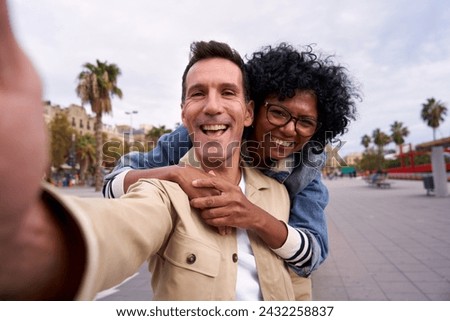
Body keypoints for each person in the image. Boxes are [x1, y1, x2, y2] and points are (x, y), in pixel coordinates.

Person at [0, 2, 299, 299]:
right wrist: (25, 237)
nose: (212, 106)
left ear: (248, 113)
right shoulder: (164, 192)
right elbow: (118, 229)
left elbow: (298, 282)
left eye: (228, 92)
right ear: (184, 114)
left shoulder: (278, 194)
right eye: (198, 93)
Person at [103, 42, 360, 285]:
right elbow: (112, 185)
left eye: (305, 122)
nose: (289, 130)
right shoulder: (198, 135)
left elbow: (313, 254)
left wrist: (255, 217)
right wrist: (174, 173)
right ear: (252, 110)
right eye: (278, 113)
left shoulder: (305, 167)